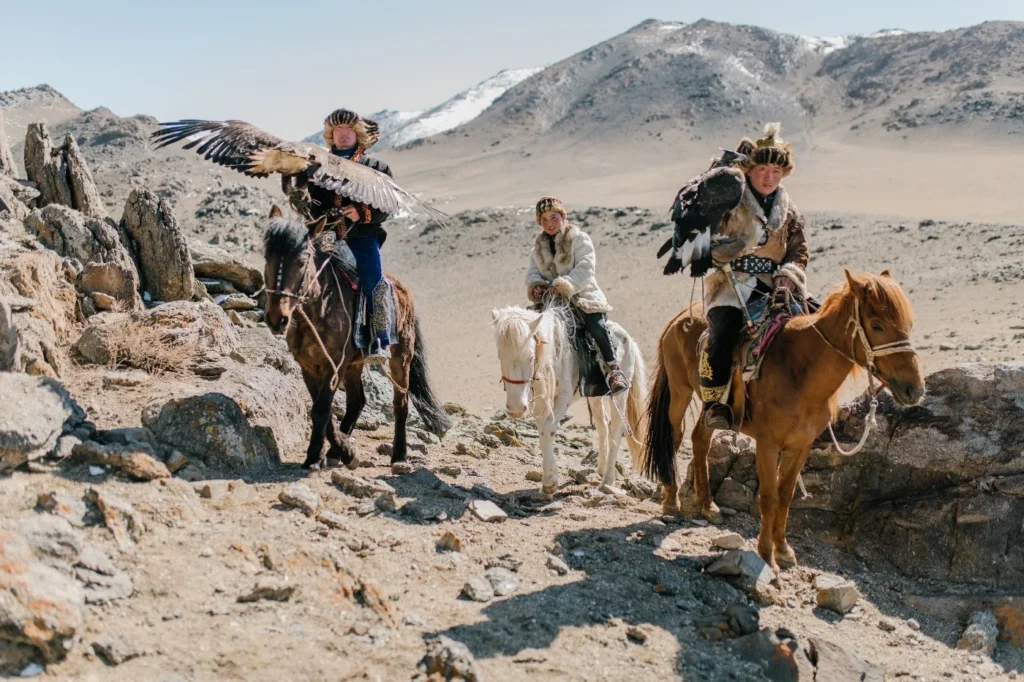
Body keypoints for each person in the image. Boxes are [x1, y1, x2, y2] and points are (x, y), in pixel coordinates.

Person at [699, 123, 809, 429]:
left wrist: (789, 275)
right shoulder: (730, 200)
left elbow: (799, 250)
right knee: (722, 332)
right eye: (762, 169)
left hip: (777, 285)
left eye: (776, 171)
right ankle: (714, 403)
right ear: (749, 170)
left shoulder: (789, 210)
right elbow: (706, 232)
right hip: (733, 283)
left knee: (822, 322)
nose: (769, 177)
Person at [287, 109, 393, 361]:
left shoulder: (377, 168)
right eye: (338, 131)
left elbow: (388, 206)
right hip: (325, 236)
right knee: (297, 272)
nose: (343, 134)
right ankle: (289, 327)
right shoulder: (315, 167)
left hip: (363, 238)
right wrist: (301, 202)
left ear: (357, 134)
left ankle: (380, 339)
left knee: (373, 279)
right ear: (331, 135)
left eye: (348, 130)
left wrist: (361, 212)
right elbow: (311, 204)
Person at [526, 196, 630, 394]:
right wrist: (536, 286)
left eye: (554, 217)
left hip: (583, 296)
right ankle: (532, 374)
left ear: (563, 217)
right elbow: (532, 273)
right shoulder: (537, 249)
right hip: (551, 301)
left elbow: (585, 268)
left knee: (595, 326)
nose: (549, 223)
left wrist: (565, 285)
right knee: (528, 326)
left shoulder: (579, 239)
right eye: (544, 219)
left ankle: (614, 369)